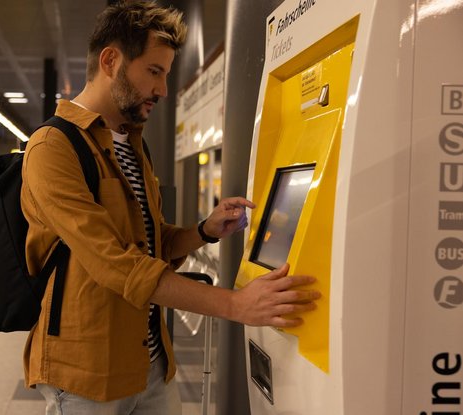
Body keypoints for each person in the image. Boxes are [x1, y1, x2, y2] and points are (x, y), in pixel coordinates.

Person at [20, 2, 319, 414]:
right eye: (154, 72)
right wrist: (236, 304)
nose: (162, 90)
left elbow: (150, 243)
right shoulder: (53, 147)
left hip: (151, 361)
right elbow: (115, 264)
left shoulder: (132, 143)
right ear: (111, 61)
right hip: (87, 373)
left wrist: (204, 230)